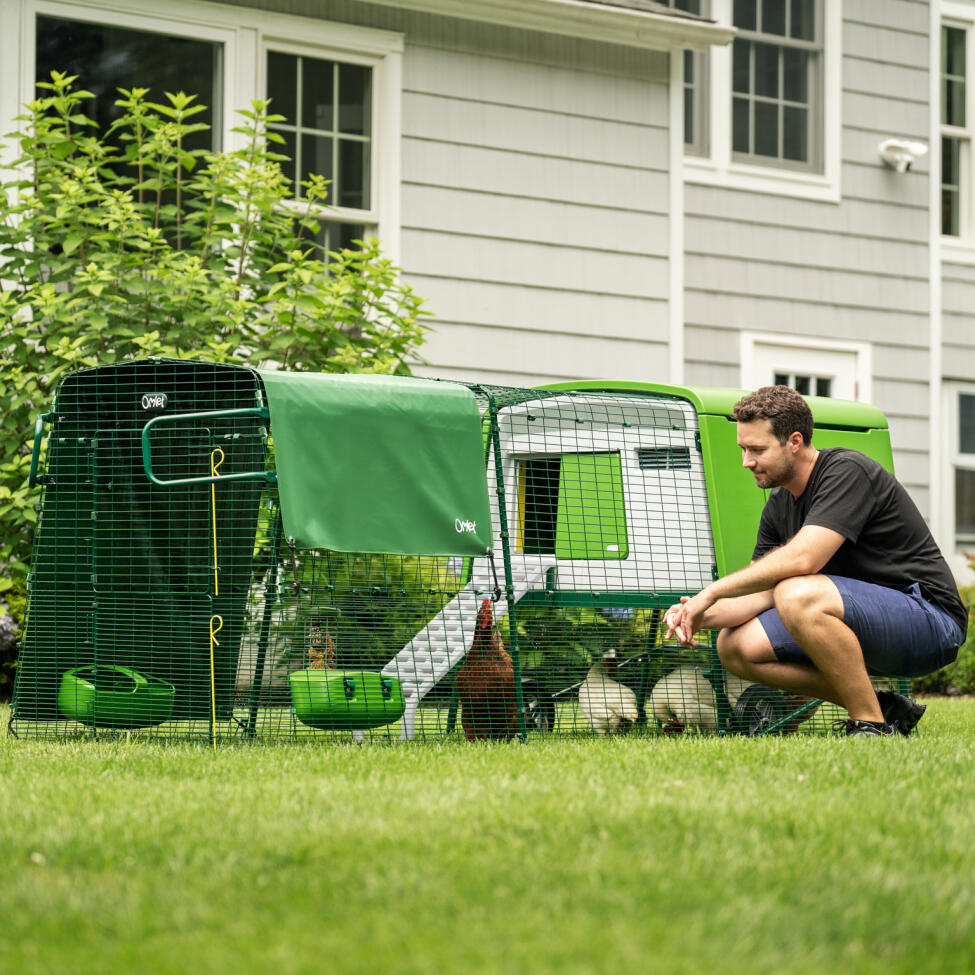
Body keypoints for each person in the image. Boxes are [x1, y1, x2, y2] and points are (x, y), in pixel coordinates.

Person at [665, 385, 966, 738]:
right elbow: (762, 593)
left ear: (794, 441)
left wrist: (712, 591)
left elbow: (804, 557)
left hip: (929, 619)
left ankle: (869, 726)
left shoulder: (847, 471)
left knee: (796, 593)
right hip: (861, 622)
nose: (746, 461)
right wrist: (696, 614)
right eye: (743, 449)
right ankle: (882, 707)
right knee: (734, 646)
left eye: (757, 449)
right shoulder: (778, 505)